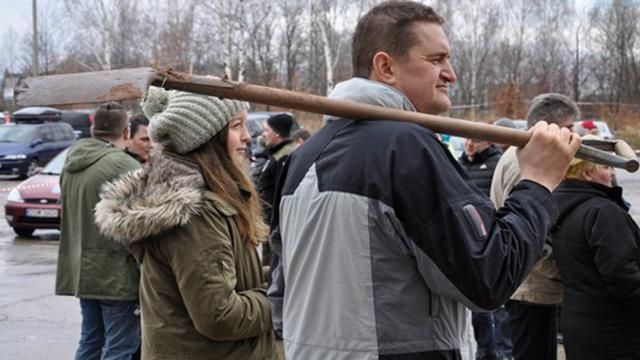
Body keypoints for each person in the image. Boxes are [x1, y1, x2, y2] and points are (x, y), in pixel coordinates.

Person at [267, 2, 580, 359]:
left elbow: (279, 295)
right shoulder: (404, 147)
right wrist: (537, 183)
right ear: (385, 66)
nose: (451, 73)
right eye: (436, 59)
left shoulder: (305, 155)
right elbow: (490, 275)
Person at [94, 87, 278, 359]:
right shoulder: (195, 213)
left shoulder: (210, 198)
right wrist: (280, 298)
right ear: (204, 138)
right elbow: (219, 315)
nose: (248, 136)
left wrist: (280, 276)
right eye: (236, 126)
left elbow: (229, 279)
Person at [490, 93, 580, 360]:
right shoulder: (530, 161)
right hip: (532, 288)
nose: (573, 137)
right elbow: (528, 228)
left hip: (532, 286)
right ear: (547, 125)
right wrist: (560, 270)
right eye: (569, 128)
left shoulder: (524, 153)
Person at [55, 102, 142, 360]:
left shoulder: (72, 161)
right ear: (126, 132)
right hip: (116, 273)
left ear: (94, 128)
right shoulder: (122, 165)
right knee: (120, 347)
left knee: (91, 340)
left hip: (83, 269)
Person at [551, 140, 640, 359]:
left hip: (579, 323)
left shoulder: (562, 209)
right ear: (586, 174)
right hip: (613, 330)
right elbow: (622, 275)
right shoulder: (602, 211)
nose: (612, 174)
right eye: (606, 167)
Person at [458, 139, 512, 360]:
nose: (470, 145)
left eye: (476, 140)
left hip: (490, 241)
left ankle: (503, 351)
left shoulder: (497, 164)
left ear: (488, 142)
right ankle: (485, 350)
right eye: (468, 140)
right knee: (476, 306)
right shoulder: (458, 165)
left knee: (498, 305)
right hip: (466, 243)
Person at [256, 113, 297, 266]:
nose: (263, 134)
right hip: (270, 223)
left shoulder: (285, 156)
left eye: (266, 130)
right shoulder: (275, 154)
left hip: (278, 226)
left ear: (277, 132)